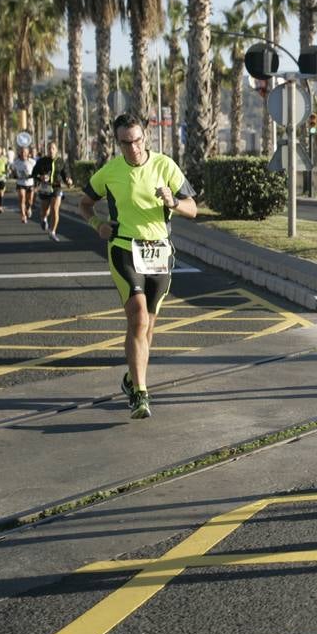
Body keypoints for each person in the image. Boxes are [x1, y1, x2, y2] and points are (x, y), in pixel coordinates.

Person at [79, 113, 197, 419]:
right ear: (117, 143)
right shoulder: (110, 172)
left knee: (148, 328)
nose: (133, 147)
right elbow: (85, 202)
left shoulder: (165, 165)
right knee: (138, 318)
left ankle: (132, 378)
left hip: (159, 253)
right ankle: (141, 395)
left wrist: (172, 202)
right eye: (125, 143)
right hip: (124, 249)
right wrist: (97, 224)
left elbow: (193, 209)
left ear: (146, 136)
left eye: (137, 140)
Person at [31, 140, 73, 241]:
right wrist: (40, 177)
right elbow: (33, 174)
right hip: (45, 188)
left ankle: (52, 232)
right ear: (47, 150)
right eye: (49, 148)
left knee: (55, 209)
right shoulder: (41, 161)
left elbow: (66, 174)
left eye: (53, 148)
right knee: (44, 211)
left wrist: (68, 180)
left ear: (56, 150)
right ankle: (44, 219)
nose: (51, 150)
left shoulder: (61, 161)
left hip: (56, 187)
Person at [9, 144, 37, 224]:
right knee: (22, 198)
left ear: (28, 153)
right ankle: (23, 216)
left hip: (30, 183)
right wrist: (14, 174)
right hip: (20, 183)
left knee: (30, 201)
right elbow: (12, 172)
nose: (23, 153)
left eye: (25, 152)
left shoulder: (32, 162)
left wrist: (33, 178)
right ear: (19, 153)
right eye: (22, 152)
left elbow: (36, 173)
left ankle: (29, 208)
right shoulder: (16, 162)